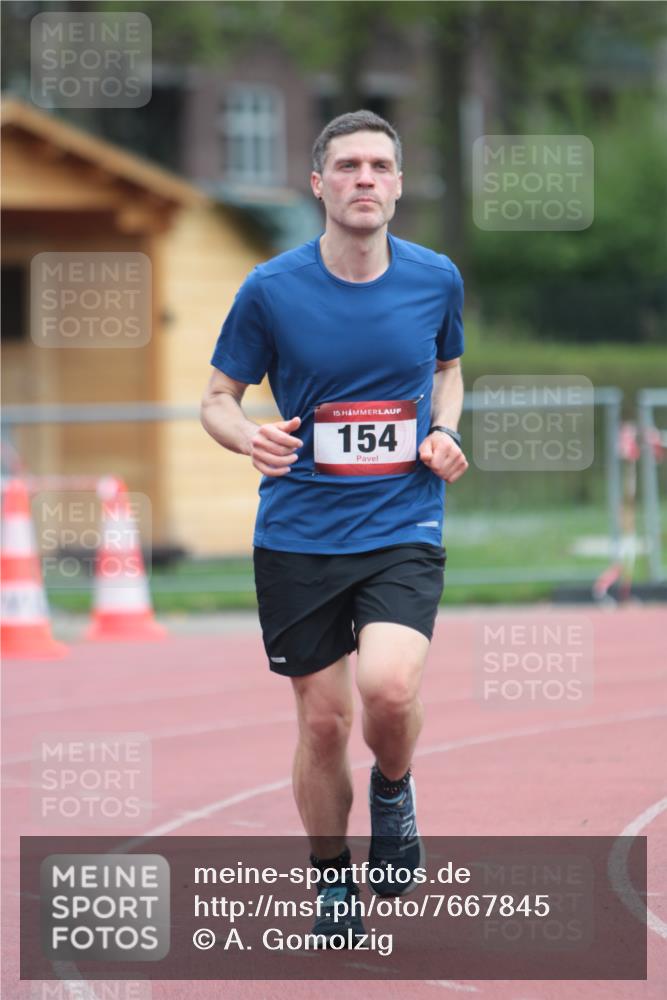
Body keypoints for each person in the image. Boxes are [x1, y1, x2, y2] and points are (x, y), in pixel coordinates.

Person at [201, 109, 468, 943]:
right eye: (347, 166)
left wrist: (445, 431)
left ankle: (393, 786)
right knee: (323, 722)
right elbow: (216, 399)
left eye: (379, 166)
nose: (364, 179)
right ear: (318, 184)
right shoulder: (270, 288)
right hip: (299, 534)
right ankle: (330, 880)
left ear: (396, 184)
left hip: (401, 520)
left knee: (388, 688)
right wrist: (250, 436)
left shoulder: (435, 279)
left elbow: (448, 369)